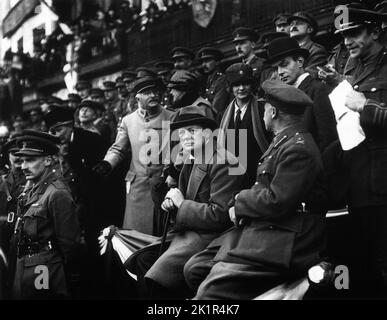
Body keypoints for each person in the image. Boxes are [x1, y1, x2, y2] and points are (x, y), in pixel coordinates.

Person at [184, 80, 327, 300]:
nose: (262, 113)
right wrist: (239, 205)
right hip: (268, 226)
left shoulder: (298, 148)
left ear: (274, 111)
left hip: (288, 236)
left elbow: (278, 200)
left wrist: (240, 201)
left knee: (209, 289)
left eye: (265, 108)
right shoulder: (283, 141)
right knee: (195, 268)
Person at [143, 105, 245, 299]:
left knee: (156, 278)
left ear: (207, 134)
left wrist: (181, 205)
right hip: (188, 232)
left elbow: (220, 216)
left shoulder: (224, 161)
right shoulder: (190, 159)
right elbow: (182, 198)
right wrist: (171, 204)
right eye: (181, 133)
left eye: (192, 131)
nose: (186, 137)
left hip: (213, 238)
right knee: (141, 259)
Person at [331, 5, 387, 298]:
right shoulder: (352, 67)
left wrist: (367, 106)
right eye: (343, 36)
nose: (346, 42)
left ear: (375, 32)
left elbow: (365, 107)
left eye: (353, 33)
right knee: (363, 263)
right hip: (358, 180)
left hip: (383, 182)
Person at [94, 77, 174, 235]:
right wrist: (107, 163)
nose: (153, 95)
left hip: (163, 185)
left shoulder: (171, 117)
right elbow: (118, 148)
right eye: (147, 92)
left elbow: (178, 151)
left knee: (163, 234)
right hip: (138, 187)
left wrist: (172, 173)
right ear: (137, 97)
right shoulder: (128, 121)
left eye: (155, 91)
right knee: (137, 235)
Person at [11, 130, 81, 299]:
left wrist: (69, 278)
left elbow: (70, 245)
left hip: (45, 271)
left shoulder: (57, 193)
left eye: (31, 160)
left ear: (48, 160)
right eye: (22, 160)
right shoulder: (33, 189)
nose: (24, 166)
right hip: (24, 267)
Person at [266, 36, 337, 152]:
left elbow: (329, 140)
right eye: (276, 68)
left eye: (284, 64)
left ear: (300, 61)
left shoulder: (319, 90)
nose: (280, 72)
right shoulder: (281, 96)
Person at [218, 63, 271, 188]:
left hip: (258, 175)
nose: (241, 88)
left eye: (245, 83)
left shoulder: (263, 109)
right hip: (232, 177)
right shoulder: (223, 116)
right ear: (230, 87)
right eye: (236, 85)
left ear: (252, 85)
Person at [288, 11, 327, 77]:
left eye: (299, 23)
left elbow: (308, 76)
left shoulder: (316, 50)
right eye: (291, 24)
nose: (294, 26)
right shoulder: (288, 51)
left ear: (310, 29)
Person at [197, 47, 230, 118]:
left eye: (207, 61)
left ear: (217, 62)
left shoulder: (222, 80)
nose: (204, 65)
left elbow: (216, 108)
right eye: (202, 62)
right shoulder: (209, 81)